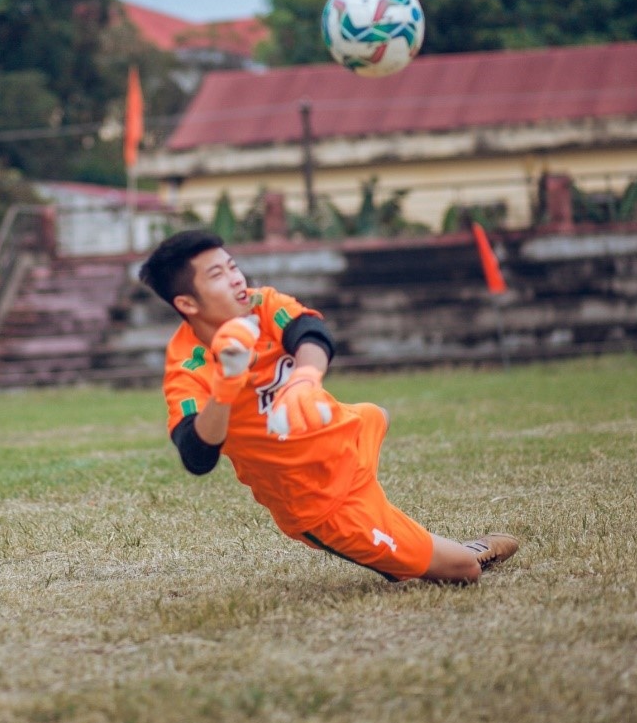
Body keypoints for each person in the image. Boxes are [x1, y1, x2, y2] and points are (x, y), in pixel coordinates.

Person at [137, 229, 518, 584]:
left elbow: (311, 332)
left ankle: (397, 534)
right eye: (218, 275)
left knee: (377, 415)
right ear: (187, 302)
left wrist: (305, 378)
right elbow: (197, 457)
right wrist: (226, 387)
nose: (236, 279)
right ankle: (450, 549)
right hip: (322, 502)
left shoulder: (259, 303)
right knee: (463, 570)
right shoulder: (187, 367)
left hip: (346, 434)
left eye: (233, 266)